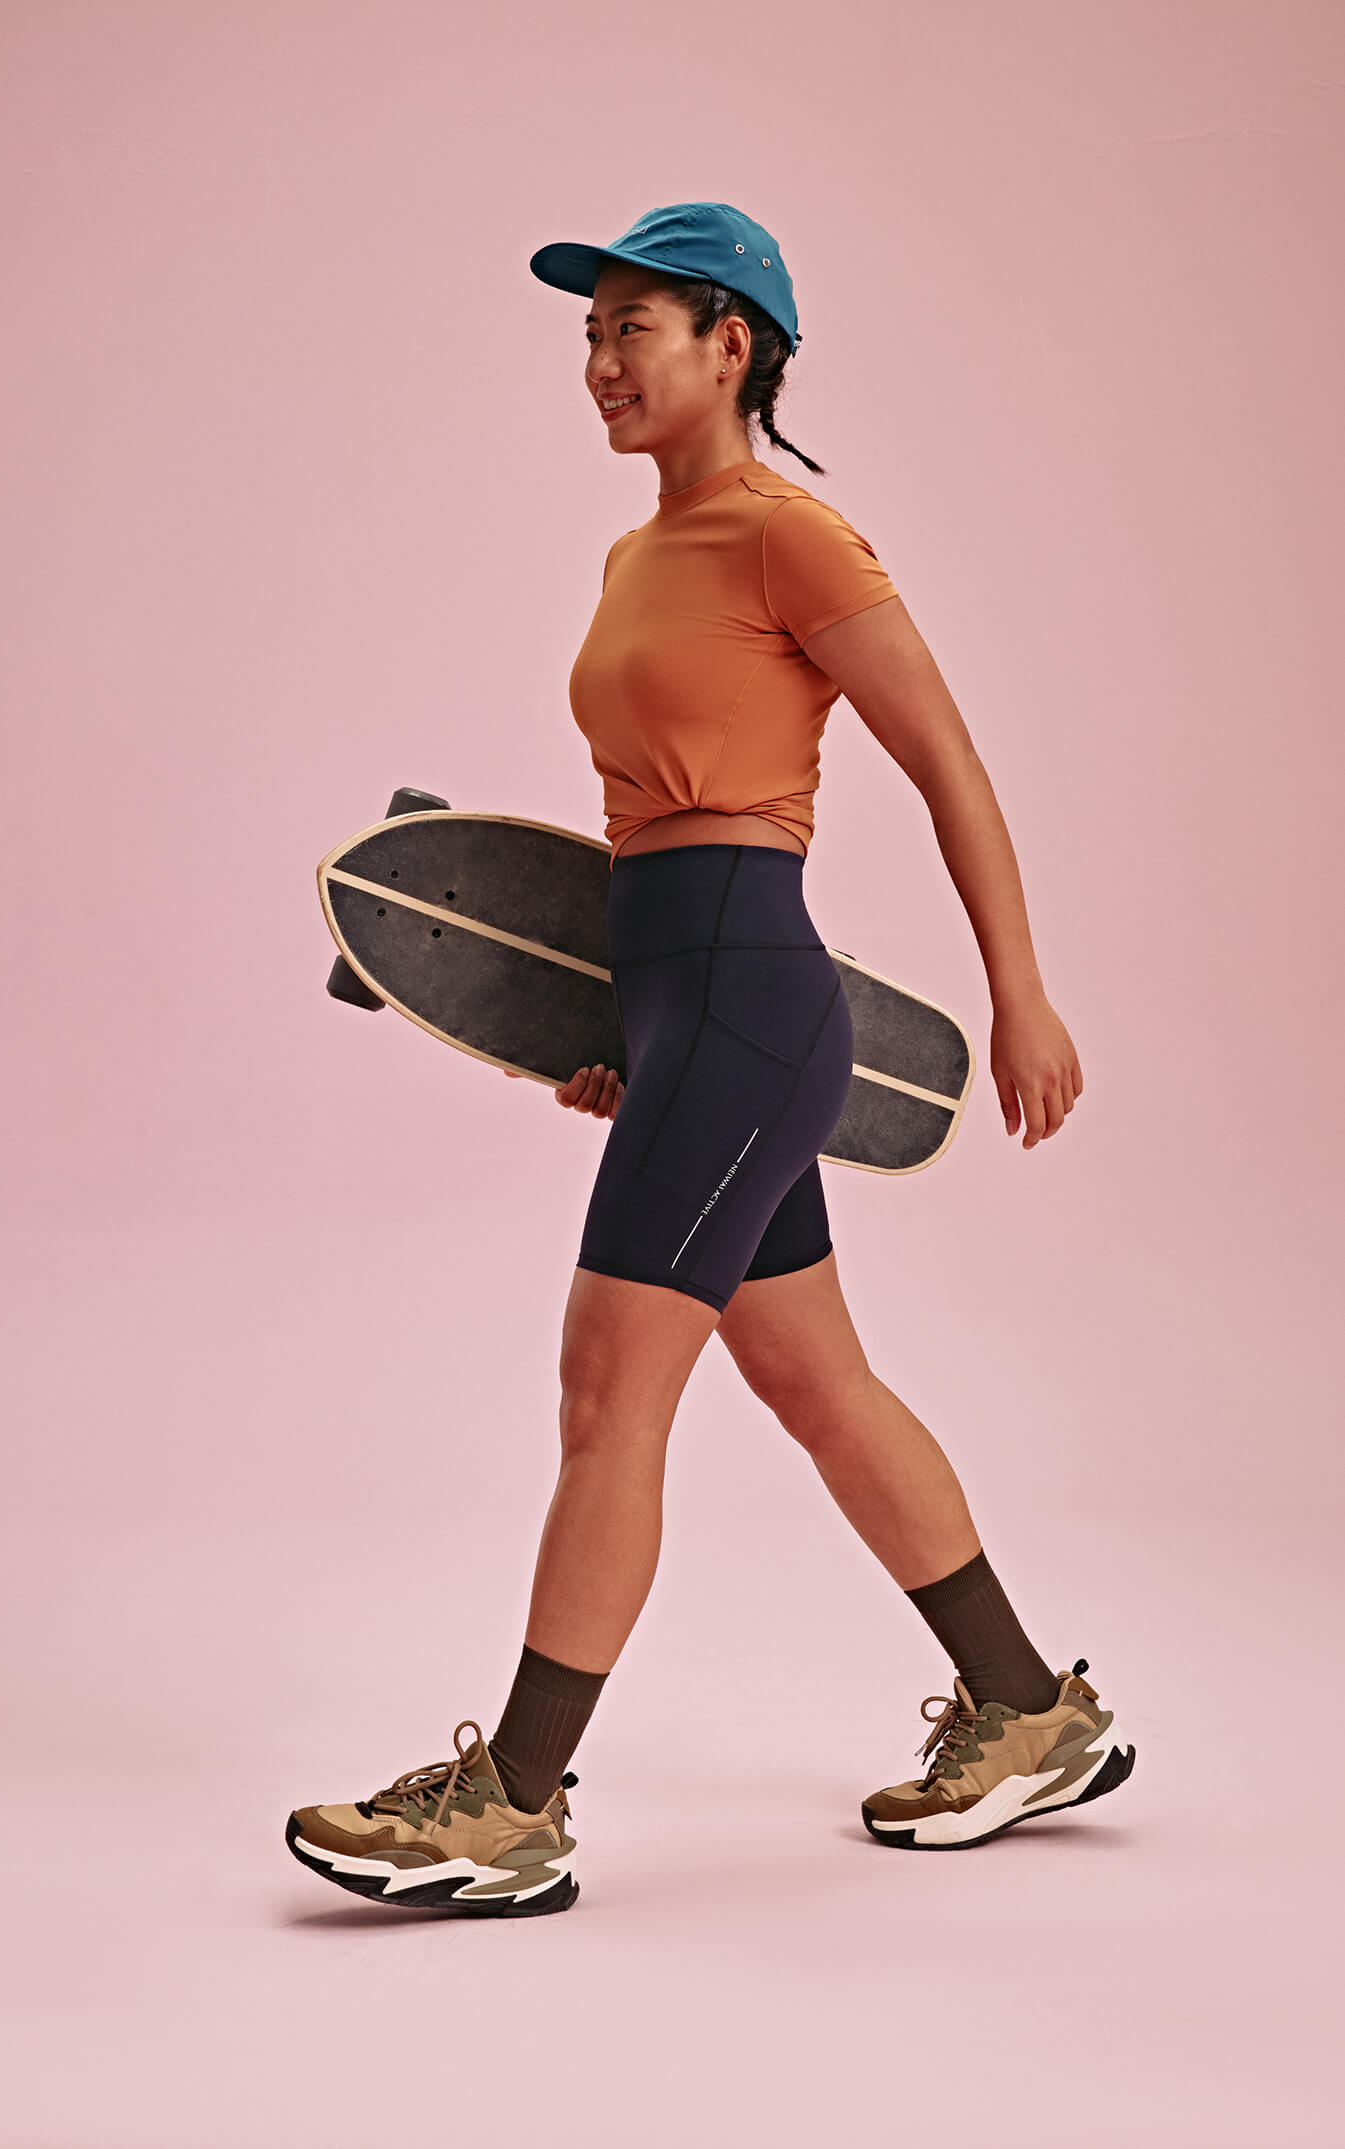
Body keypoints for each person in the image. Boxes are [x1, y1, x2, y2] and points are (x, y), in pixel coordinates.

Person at [286, 201, 1134, 1916]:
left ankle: (511, 1802)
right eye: (587, 339)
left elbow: (945, 761)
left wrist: (1020, 989)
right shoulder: (632, 559)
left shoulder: (790, 538)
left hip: (756, 998)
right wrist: (619, 1033)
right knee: (815, 1385)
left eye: (630, 332)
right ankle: (1028, 1705)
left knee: (607, 1391)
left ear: (728, 343)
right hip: (684, 1009)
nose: (597, 367)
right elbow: (635, 843)